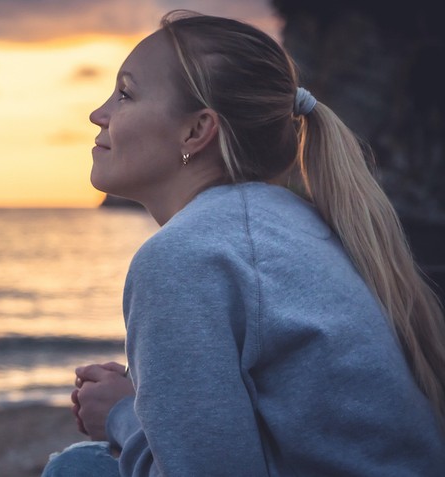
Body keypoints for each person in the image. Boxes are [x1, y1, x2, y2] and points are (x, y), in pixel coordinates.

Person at [41, 10, 445, 477]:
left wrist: (119, 415)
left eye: (125, 94)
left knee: (75, 470)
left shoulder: (184, 257)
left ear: (197, 131)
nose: (99, 114)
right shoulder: (292, 222)